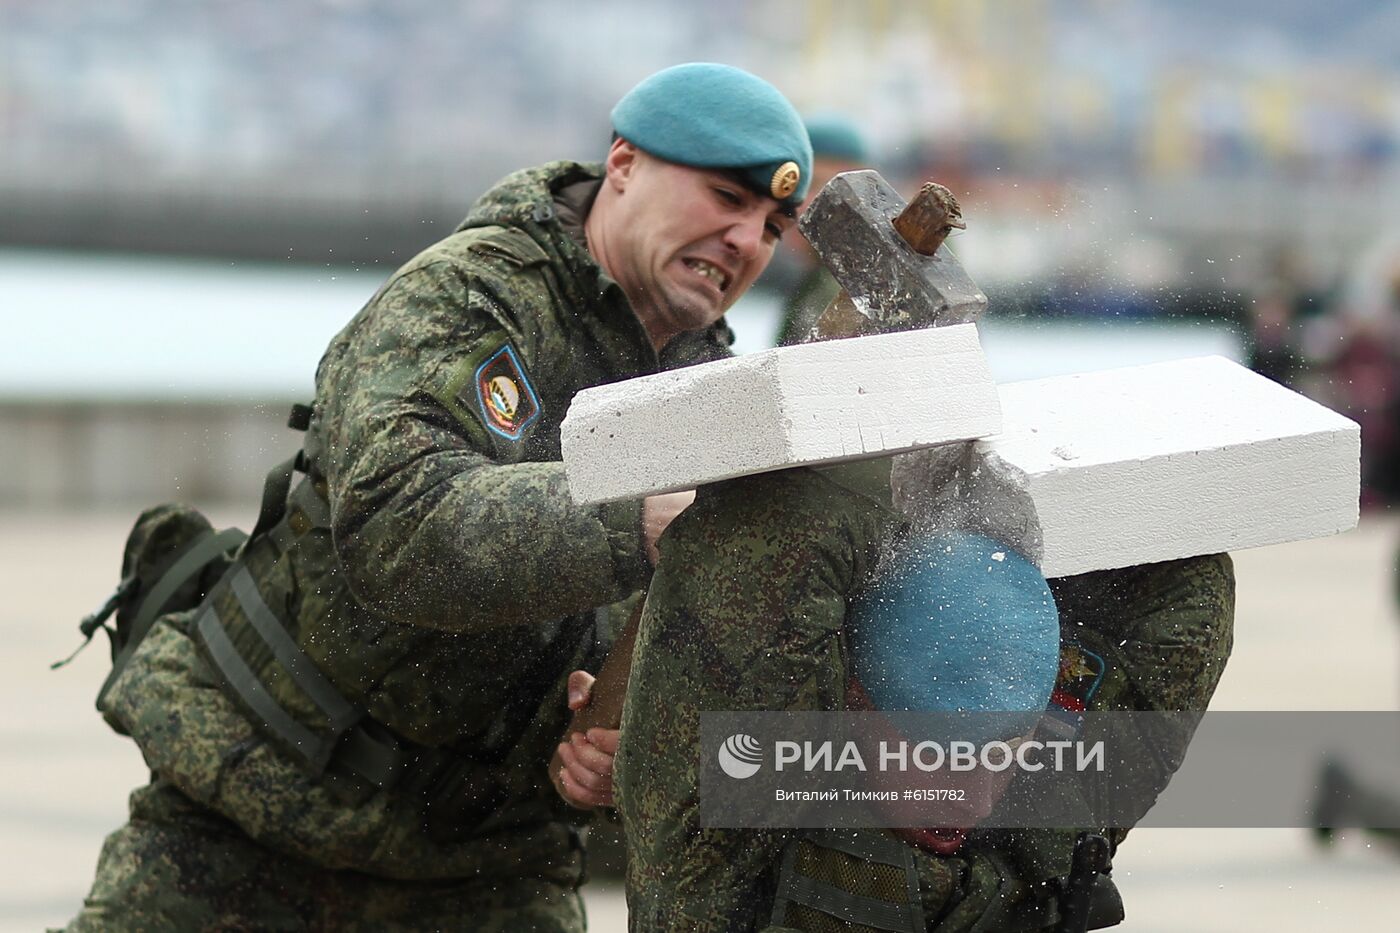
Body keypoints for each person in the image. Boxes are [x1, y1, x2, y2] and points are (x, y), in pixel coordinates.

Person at [64, 62, 813, 932]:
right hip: (257, 816)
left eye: (771, 226)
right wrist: (633, 517)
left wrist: (615, 739)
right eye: (725, 197)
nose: (745, 240)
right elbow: (401, 525)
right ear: (623, 165)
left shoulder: (712, 398)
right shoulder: (472, 295)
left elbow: (681, 635)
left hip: (486, 865)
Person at [615, 467, 1235, 929]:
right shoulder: (730, 835)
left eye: (1000, 752)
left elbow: (1189, 579)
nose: (969, 794)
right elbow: (787, 520)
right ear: (853, 701)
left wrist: (997, 523)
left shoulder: (1047, 821)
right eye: (940, 751)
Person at [773, 112, 872, 346]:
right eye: (787, 188)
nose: (794, 206)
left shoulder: (856, 287)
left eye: (813, 185)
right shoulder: (820, 279)